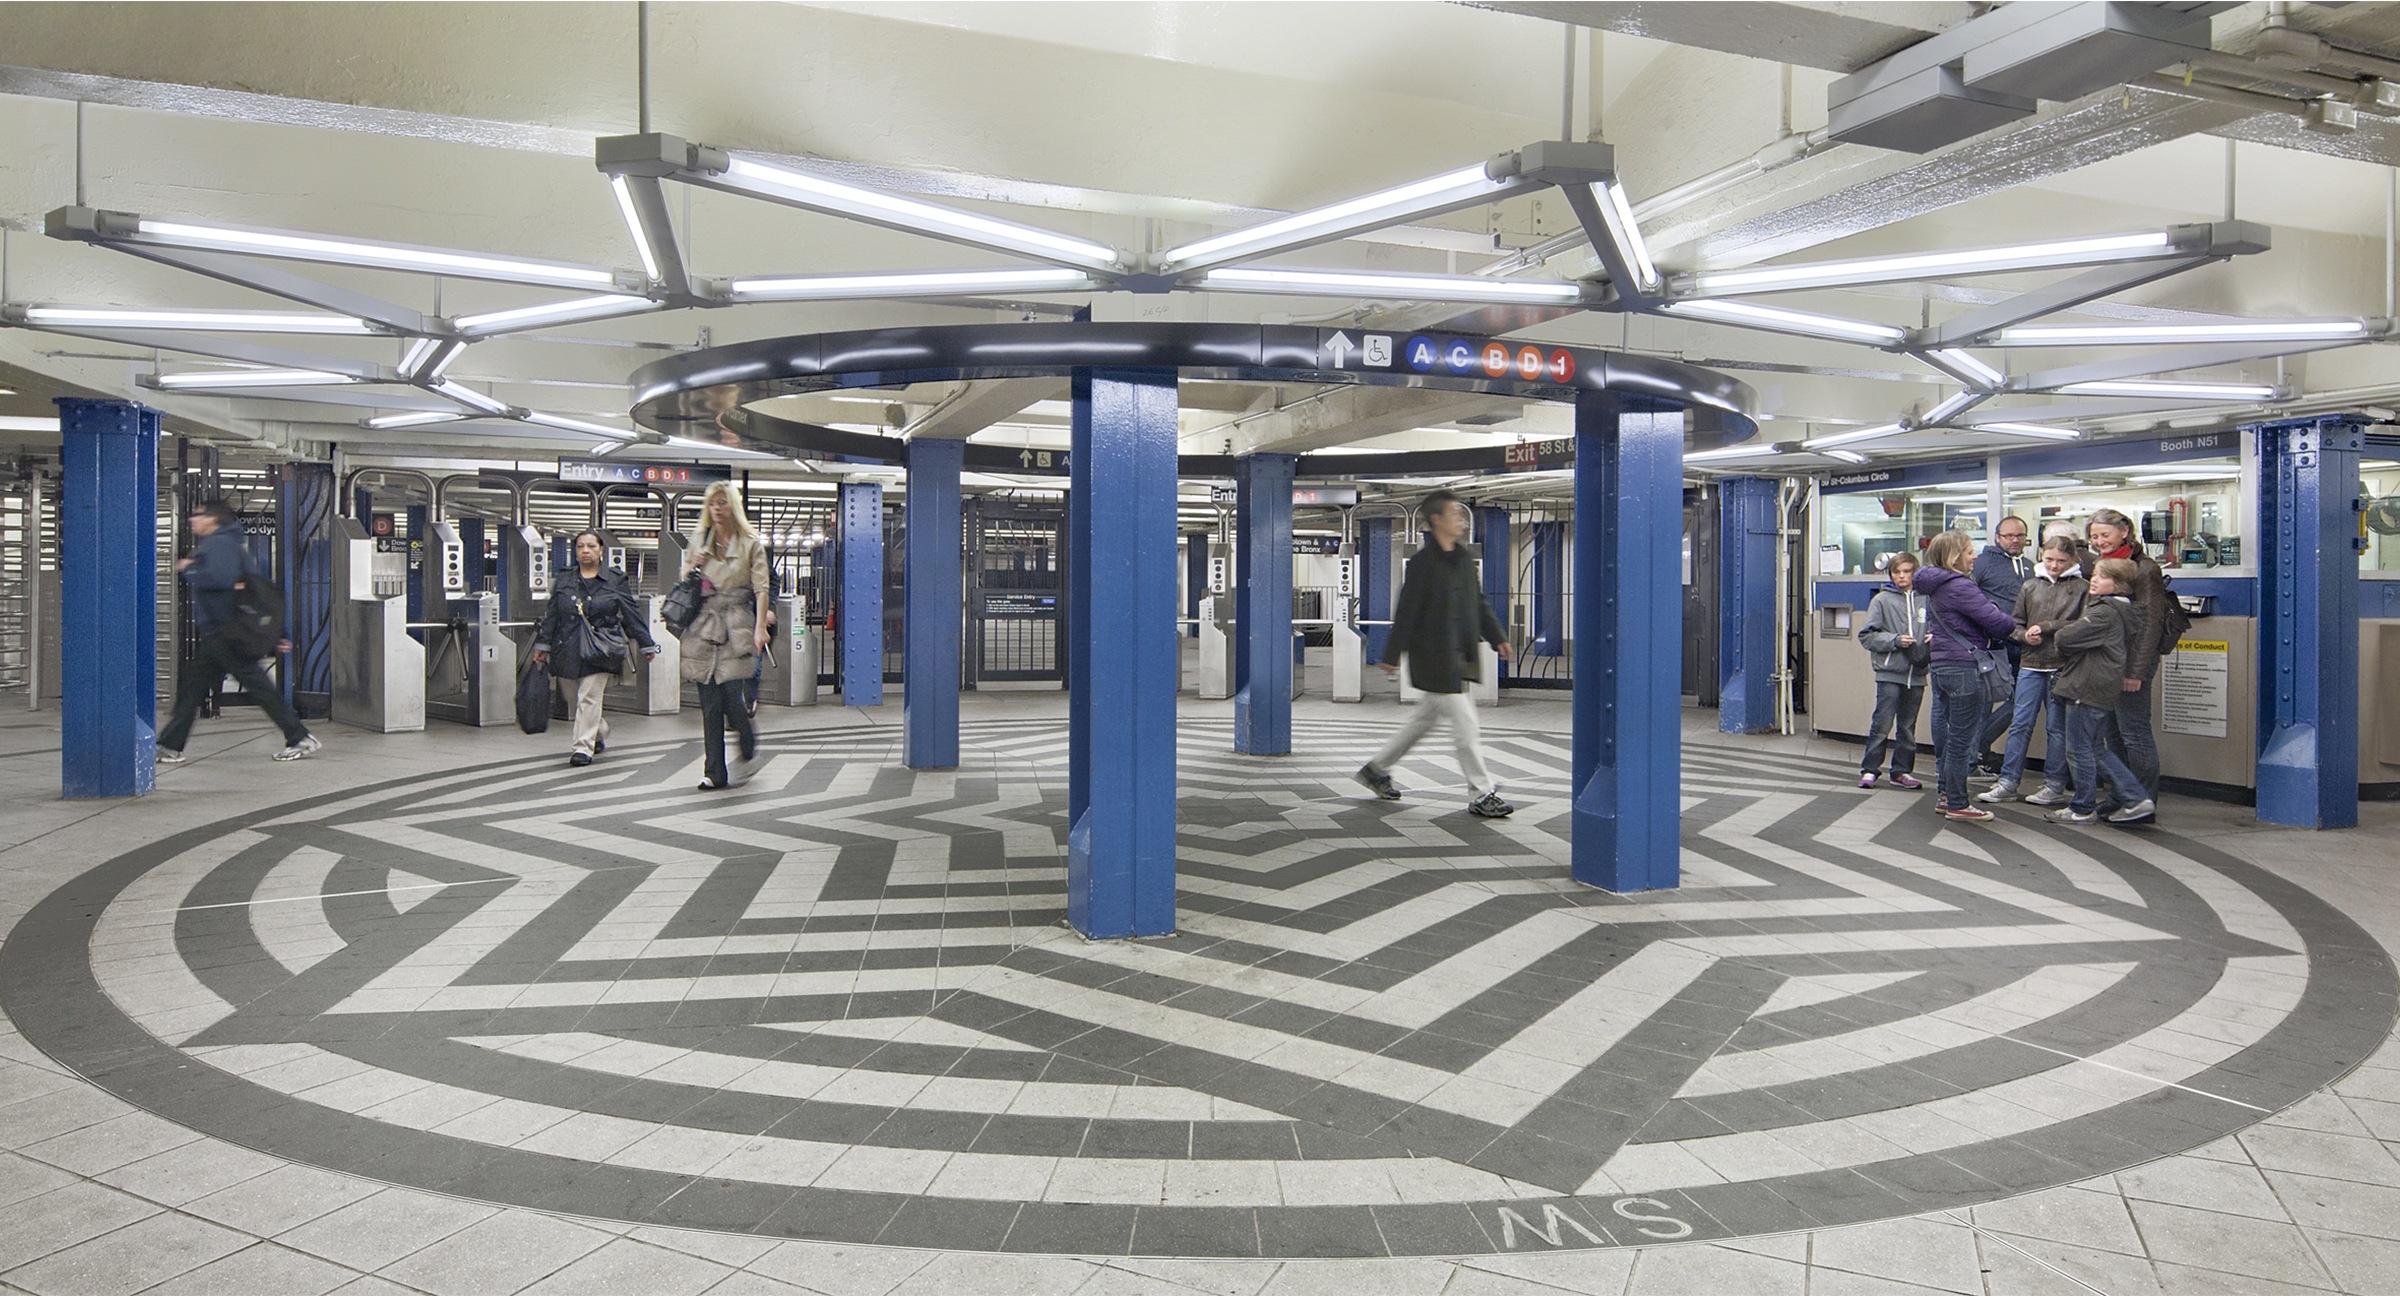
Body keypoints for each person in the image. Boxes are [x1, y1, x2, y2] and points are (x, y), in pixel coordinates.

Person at [1354, 489, 1516, 818]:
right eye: (1455, 513)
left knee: (1421, 722)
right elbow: (1408, 611)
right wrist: (1391, 652)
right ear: (1437, 520)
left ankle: (1375, 769)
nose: (1461, 518)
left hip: (1460, 656)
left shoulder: (1463, 558)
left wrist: (1497, 636)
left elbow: (1479, 603)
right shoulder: (1422, 565)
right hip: (1435, 658)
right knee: (1466, 725)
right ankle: (1482, 792)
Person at [157, 501, 321, 764]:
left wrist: (189, 568)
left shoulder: (219, 544)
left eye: (197, 515)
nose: (192, 520)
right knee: (193, 688)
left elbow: (220, 579)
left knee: (254, 687)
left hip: (226, 632)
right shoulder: (226, 543)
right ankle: (169, 745)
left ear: (212, 520)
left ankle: (299, 736)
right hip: (221, 631)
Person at [1911, 530, 2023, 822]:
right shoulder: (1960, 586)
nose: (1974, 556)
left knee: (1951, 737)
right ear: (1954, 556)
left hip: (1942, 666)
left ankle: (1946, 795)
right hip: (1965, 668)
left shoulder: (1934, 586)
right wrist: (2004, 613)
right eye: (1969, 551)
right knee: (1963, 739)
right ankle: (1958, 803)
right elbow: (1997, 623)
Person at [531, 530, 659, 767]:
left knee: (588, 696)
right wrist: (543, 644)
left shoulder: (615, 579)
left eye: (591, 546)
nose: (585, 551)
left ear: (601, 550)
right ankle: (598, 730)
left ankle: (583, 747)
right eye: (580, 546)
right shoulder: (565, 579)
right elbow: (553, 614)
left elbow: (630, 612)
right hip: (567, 646)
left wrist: (645, 642)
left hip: (601, 647)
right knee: (575, 696)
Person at [2045, 558, 2157, 825]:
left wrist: (2062, 638)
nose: (2093, 580)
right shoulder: (2123, 611)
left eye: (2101, 576)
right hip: (2100, 685)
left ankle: (2085, 807)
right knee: (2094, 748)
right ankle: (2134, 798)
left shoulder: (2103, 612)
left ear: (2117, 585)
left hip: (2086, 685)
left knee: (2079, 749)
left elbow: (2065, 637)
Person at [1980, 536, 2085, 805]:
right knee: (2020, 724)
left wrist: (2047, 627)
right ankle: (2008, 782)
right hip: (2030, 663)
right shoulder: (2030, 586)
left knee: (2056, 728)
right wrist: (2024, 636)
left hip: (2062, 665)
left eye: (2061, 561)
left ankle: (2054, 784)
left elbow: (2082, 625)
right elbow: (2014, 624)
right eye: (2049, 559)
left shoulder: (2082, 588)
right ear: (2040, 555)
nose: (2054, 565)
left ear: (2072, 560)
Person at [680, 481, 771, 791]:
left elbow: (762, 588)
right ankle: (714, 772)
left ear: (733, 505)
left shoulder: (750, 543)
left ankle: (747, 745)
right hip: (704, 627)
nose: (717, 509)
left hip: (736, 625)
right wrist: (694, 565)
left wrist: (760, 627)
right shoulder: (699, 540)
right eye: (712, 504)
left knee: (732, 698)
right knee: (709, 703)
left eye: (723, 502)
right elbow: (685, 581)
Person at [2083, 507, 2170, 809]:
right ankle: (2121, 795)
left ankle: (2143, 800)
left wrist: (2136, 671)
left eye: (2104, 535)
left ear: (2124, 532)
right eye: (2094, 536)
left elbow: (2150, 624)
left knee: (2134, 733)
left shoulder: (2144, 569)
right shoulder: (2102, 564)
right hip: (2107, 661)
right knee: (2112, 733)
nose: (2099, 541)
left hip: (2131, 661)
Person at [1855, 553, 1928, 791]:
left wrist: (1932, 639)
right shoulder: (1882, 600)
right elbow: (1867, 636)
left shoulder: (1926, 599)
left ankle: (1902, 771)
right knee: (1882, 723)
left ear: (1915, 572)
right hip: (1889, 671)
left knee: (1907, 726)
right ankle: (1869, 769)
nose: (1902, 577)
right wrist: (1895, 640)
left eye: (1907, 571)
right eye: (1897, 572)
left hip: (1916, 672)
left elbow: (1937, 626)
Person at [1971, 516, 2034, 775]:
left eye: (2020, 536)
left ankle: (1979, 745)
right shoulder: (1983, 563)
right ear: (1997, 537)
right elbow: (1970, 596)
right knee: (1984, 701)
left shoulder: (2031, 566)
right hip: (1993, 644)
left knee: (2020, 700)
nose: (2015, 540)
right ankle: (1973, 755)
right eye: (2009, 536)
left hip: (2025, 644)